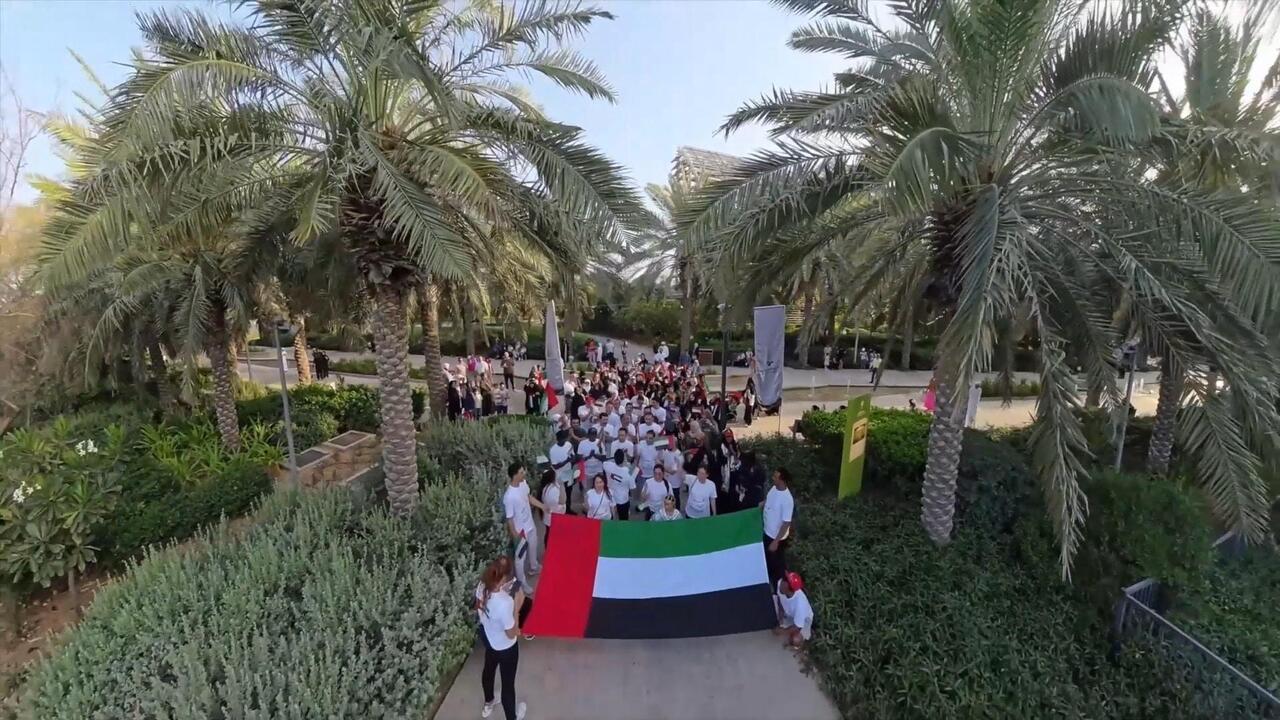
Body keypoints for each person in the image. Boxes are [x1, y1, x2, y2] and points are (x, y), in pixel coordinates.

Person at [475, 557, 529, 720]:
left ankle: (489, 702)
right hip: (506, 648)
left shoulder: (482, 585)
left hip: (489, 638)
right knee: (507, 685)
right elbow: (512, 633)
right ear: (504, 578)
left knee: (488, 670)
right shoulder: (505, 603)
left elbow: (479, 607)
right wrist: (517, 608)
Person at [503, 463, 545, 594]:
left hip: (530, 524)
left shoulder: (523, 484)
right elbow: (509, 518)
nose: (524, 474)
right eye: (521, 472)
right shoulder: (509, 496)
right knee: (520, 558)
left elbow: (529, 497)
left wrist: (542, 506)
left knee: (533, 545)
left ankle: (534, 566)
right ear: (514, 475)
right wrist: (515, 534)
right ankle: (522, 583)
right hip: (521, 531)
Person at [762, 467, 794, 587]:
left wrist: (776, 541)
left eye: (775, 477)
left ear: (781, 480)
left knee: (777, 563)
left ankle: (779, 586)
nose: (773, 478)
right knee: (768, 559)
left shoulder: (787, 500)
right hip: (767, 532)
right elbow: (769, 499)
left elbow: (786, 523)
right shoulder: (774, 488)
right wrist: (762, 504)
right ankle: (768, 579)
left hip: (776, 538)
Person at [773, 571, 814, 650]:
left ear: (790, 590)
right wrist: (780, 616)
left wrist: (782, 631)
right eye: (784, 579)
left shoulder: (800, 603)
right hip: (789, 614)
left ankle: (805, 637)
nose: (782, 582)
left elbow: (798, 626)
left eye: (785, 582)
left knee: (796, 640)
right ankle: (788, 629)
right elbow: (780, 600)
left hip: (804, 621)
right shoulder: (780, 583)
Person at [603, 449, 636, 520]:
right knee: (623, 520)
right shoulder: (629, 472)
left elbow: (604, 461)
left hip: (610, 498)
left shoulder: (608, 465)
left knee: (611, 518)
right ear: (624, 459)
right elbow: (632, 488)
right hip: (623, 500)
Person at [539, 468, 565, 547]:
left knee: (548, 533)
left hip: (548, 517)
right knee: (552, 535)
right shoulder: (553, 490)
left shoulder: (545, 488)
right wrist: (562, 486)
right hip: (554, 517)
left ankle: (548, 548)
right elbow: (562, 501)